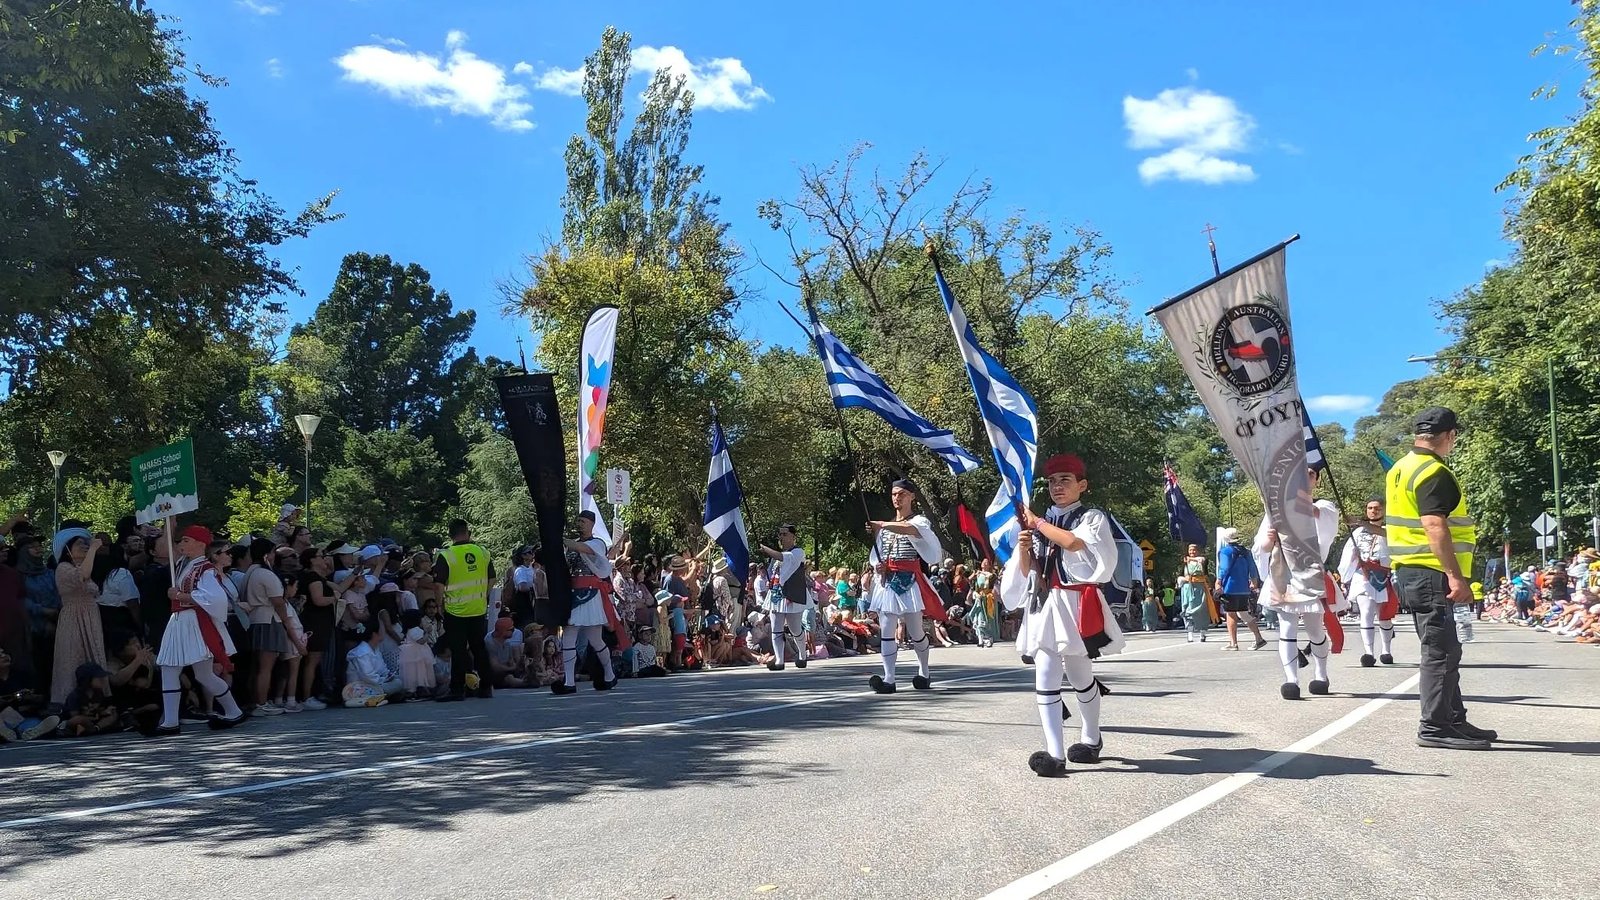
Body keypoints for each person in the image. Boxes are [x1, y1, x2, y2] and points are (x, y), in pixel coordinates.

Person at [1386, 406, 1497, 750]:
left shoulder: (1400, 469)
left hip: (1411, 571)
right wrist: (1455, 576)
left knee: (1445, 647)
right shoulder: (1433, 471)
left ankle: (1452, 718)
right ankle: (1435, 727)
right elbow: (1435, 526)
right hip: (1433, 572)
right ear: (1449, 436)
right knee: (1441, 650)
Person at [1010, 453, 1125, 778]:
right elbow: (1029, 570)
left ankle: (1091, 738)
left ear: (1082, 485)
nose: (1057, 486)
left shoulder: (1091, 517)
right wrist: (1024, 548)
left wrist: (1038, 525)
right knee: (1045, 669)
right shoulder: (1041, 521)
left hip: (1076, 603)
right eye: (1052, 481)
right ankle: (1055, 753)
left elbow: (1074, 544)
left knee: (1079, 675)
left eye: (1065, 480)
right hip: (1046, 604)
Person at [1253, 466, 1346, 700]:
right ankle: (1291, 680)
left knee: (1315, 629)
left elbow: (1319, 520)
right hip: (1285, 575)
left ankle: (1321, 675)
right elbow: (1261, 547)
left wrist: (1288, 499)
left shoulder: (1325, 507)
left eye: (1311, 474)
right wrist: (1269, 539)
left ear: (1317, 479)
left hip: (1311, 575)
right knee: (1288, 627)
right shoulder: (1274, 509)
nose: (1305, 478)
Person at [154, 528, 246, 734]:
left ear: (200, 544)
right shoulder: (183, 565)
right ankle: (171, 721)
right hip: (179, 621)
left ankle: (231, 711)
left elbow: (216, 599)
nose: (181, 544)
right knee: (177, 669)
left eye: (186, 540)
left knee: (197, 673)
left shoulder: (205, 569)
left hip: (193, 622)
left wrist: (181, 596)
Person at [865, 479, 946, 694]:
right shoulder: (887, 527)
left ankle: (924, 672)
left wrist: (882, 524)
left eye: (901, 494)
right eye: (893, 494)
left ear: (911, 496)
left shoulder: (919, 521)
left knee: (915, 630)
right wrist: (878, 567)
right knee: (887, 628)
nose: (896, 498)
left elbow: (912, 530)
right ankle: (889, 678)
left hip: (909, 581)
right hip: (888, 583)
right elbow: (877, 555)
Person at [552, 510, 620, 695]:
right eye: (578, 520)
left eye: (583, 521)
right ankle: (569, 681)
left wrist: (559, 539)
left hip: (591, 593)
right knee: (569, 633)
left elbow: (585, 550)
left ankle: (609, 674)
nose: (580, 524)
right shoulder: (572, 544)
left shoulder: (597, 543)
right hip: (573, 593)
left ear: (591, 523)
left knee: (596, 639)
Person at [433, 520, 495, 702]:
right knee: (479, 648)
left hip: (455, 610)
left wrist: (439, 605)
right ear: (468, 533)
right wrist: (484, 595)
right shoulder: (482, 552)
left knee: (458, 649)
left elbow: (438, 586)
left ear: (451, 535)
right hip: (478, 608)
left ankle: (457, 689)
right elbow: (492, 577)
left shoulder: (446, 555)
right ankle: (486, 687)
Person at [1339, 497, 1401, 667]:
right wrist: (1350, 567)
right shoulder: (1357, 533)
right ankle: (1369, 653)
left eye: (1377, 508)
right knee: (1365, 614)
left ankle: (1386, 651)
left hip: (1385, 577)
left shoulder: (1390, 530)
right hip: (1363, 576)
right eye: (1370, 508)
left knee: (1384, 617)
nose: (1373, 511)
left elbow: (1385, 536)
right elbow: (1347, 556)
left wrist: (1359, 522)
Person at [50, 528, 107, 705]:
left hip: (90, 618)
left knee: (92, 653)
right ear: (68, 549)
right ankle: (69, 702)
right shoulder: (63, 568)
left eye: (86, 543)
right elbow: (83, 575)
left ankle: (98, 699)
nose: (84, 546)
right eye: (79, 543)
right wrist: (93, 549)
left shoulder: (79, 567)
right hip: (74, 618)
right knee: (73, 656)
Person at [756, 525, 808, 671]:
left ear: (793, 536)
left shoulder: (798, 552)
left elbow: (783, 558)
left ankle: (802, 655)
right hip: (777, 594)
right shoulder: (777, 556)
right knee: (776, 628)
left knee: (795, 628)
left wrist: (766, 549)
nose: (782, 537)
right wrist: (770, 580)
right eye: (780, 534)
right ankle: (779, 660)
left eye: (785, 534)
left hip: (792, 594)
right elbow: (775, 571)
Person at [1215, 529, 1266, 651]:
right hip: (1243, 588)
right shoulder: (1246, 552)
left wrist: (1218, 581)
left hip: (1230, 587)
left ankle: (1233, 643)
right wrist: (1254, 582)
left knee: (1231, 613)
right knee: (1243, 613)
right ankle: (1258, 638)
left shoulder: (1225, 551)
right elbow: (1253, 568)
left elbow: (1224, 567)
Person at [343, 626, 402, 707]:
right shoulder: (361, 653)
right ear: (374, 634)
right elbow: (368, 676)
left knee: (398, 680)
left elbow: (383, 669)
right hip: (360, 687)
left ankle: (384, 696)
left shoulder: (376, 649)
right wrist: (384, 679)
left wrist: (389, 676)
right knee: (398, 684)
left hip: (376, 683)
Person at [966, 558, 1000, 648]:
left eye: (987, 563)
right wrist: (972, 595)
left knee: (988, 619)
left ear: (989, 565)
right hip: (979, 599)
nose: (984, 564)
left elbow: (993, 581)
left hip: (988, 600)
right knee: (978, 618)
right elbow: (971, 584)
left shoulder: (991, 575)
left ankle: (989, 638)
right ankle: (981, 639)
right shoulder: (977, 574)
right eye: (983, 562)